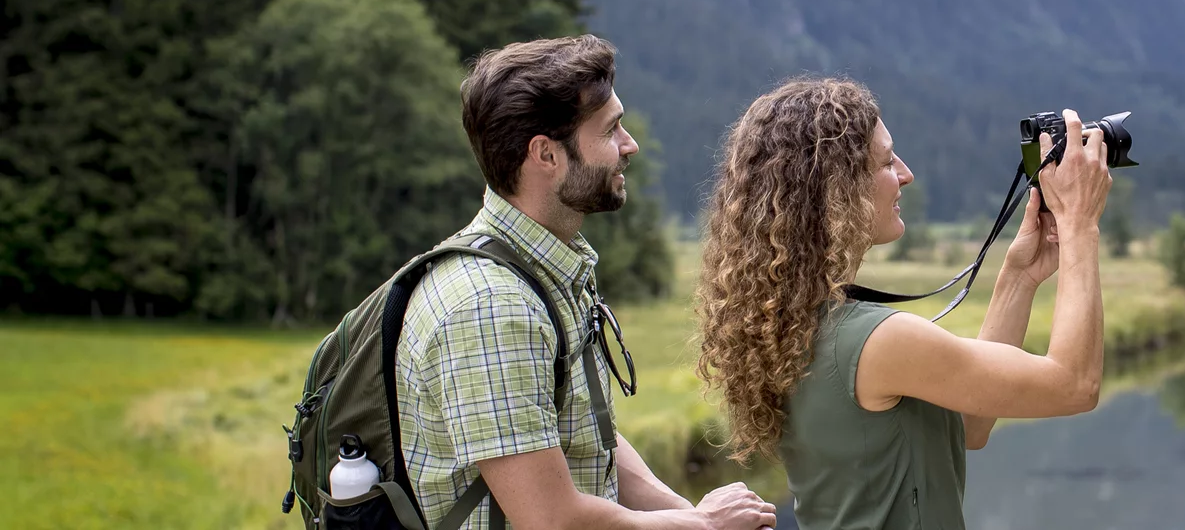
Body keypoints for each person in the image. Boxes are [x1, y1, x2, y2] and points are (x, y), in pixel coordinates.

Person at [693, 77, 1113, 529]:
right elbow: (1075, 384)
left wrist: (1019, 277)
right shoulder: (878, 340)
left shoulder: (798, 326)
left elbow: (970, 423)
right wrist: (1080, 224)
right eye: (887, 161)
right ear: (838, 189)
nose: (906, 173)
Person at [396, 35, 778, 530]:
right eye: (611, 129)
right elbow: (550, 519)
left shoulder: (544, 271)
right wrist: (703, 526)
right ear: (546, 155)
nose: (629, 145)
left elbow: (590, 438)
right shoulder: (492, 306)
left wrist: (687, 514)